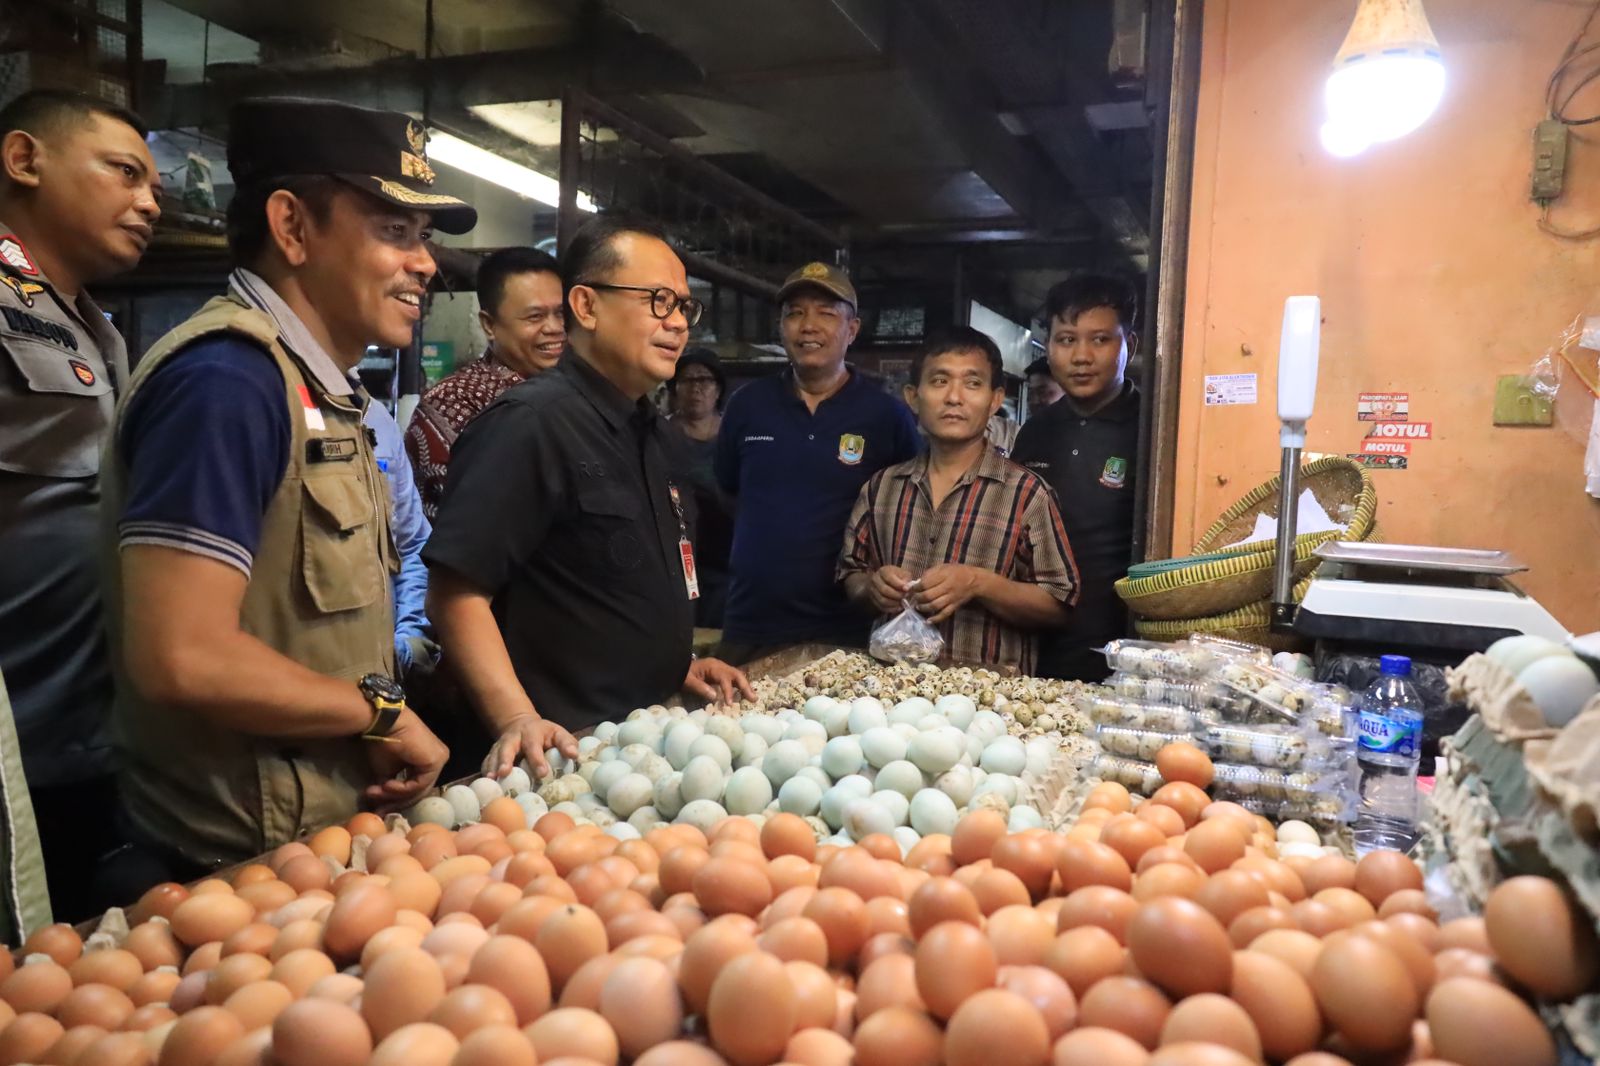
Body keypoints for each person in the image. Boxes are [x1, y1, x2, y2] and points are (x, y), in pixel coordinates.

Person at [99, 98, 468, 884]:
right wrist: (381, 714)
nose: (426, 264)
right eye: (394, 231)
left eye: (424, 238)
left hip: (311, 845)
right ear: (293, 228)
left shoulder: (323, 395)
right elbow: (182, 656)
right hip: (223, 866)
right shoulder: (227, 383)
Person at [425, 214, 754, 779]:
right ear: (586, 306)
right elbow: (456, 594)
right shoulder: (531, 425)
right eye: (657, 301)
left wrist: (678, 665)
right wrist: (515, 717)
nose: (677, 324)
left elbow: (612, 589)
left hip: (643, 744)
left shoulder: (653, 433)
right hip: (559, 756)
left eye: (683, 307)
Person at [0, 89, 161, 921]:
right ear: (25, 160)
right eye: (124, 173)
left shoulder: (95, 327)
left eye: (156, 189)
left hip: (81, 732)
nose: (147, 204)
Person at [839, 328, 1079, 672]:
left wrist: (979, 583)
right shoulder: (881, 489)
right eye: (939, 382)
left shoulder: (1027, 494)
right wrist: (871, 588)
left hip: (990, 707)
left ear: (996, 400)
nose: (954, 397)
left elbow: (1059, 605)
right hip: (892, 698)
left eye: (972, 383)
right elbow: (851, 574)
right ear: (913, 397)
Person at [715, 262, 921, 663]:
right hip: (750, 623)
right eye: (795, 313)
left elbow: (907, 508)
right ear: (781, 328)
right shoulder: (747, 406)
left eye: (826, 313)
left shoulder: (886, 415)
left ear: (852, 330)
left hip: (845, 629)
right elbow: (728, 492)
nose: (808, 325)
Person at [1011, 274, 1141, 681]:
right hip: (1031, 646)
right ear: (1048, 347)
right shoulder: (1035, 430)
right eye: (1066, 340)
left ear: (1129, 346)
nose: (1081, 356)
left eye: (1099, 340)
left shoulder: (1154, 428)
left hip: (1121, 651)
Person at [406, 246, 565, 520]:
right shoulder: (454, 403)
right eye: (535, 316)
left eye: (561, 314)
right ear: (489, 324)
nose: (554, 328)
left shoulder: (578, 392)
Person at [666, 348, 733, 628]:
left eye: (704, 380)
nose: (696, 388)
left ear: (718, 389)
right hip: (678, 553)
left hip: (727, 554)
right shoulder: (660, 433)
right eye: (687, 380)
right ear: (675, 388)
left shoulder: (734, 433)